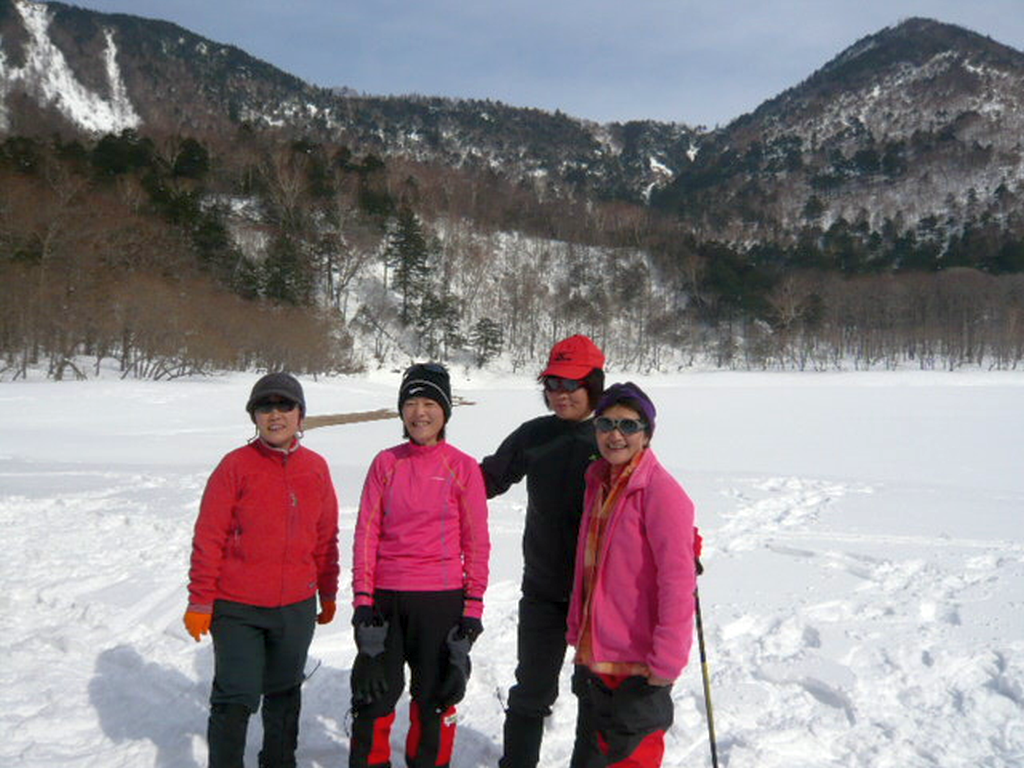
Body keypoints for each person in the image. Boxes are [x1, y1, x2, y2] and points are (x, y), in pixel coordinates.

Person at [184, 372, 340, 768]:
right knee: (235, 698)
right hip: (238, 607)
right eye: (265, 407)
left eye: (285, 406)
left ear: (300, 415)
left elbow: (326, 537)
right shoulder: (235, 466)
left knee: (285, 694)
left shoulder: (317, 468)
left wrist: (329, 591)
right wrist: (201, 600)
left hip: (296, 607)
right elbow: (209, 537)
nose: (275, 415)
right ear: (254, 416)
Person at [349, 362, 490, 768]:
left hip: (440, 601)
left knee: (434, 700)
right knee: (372, 696)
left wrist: (472, 611)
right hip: (385, 603)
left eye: (430, 402)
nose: (419, 413)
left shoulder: (461, 467)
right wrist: (363, 603)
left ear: (445, 411)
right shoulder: (386, 463)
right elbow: (366, 534)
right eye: (411, 402)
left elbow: (476, 543)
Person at [480, 334, 606, 768]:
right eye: (553, 384)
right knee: (531, 691)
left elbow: (652, 498)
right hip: (544, 589)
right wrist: (430, 481)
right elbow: (487, 480)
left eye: (571, 384)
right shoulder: (535, 435)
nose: (561, 394)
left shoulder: (615, 435)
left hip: (599, 595)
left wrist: (685, 541)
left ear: (594, 384)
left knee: (594, 696)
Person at [567, 382, 697, 768]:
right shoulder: (599, 483)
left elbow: (677, 583)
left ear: (646, 434)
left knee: (630, 760)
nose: (615, 434)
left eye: (628, 425)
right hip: (596, 655)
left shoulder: (661, 493)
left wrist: (667, 661)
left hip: (639, 665)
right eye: (606, 423)